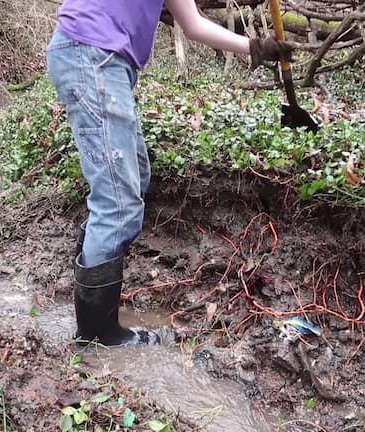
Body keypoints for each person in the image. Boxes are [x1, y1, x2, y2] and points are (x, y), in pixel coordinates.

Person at [46, 0, 293, 347]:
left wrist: (252, 47)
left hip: (101, 60)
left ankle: (91, 306)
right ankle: (97, 335)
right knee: (117, 204)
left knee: (134, 179)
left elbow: (191, 23)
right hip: (92, 56)